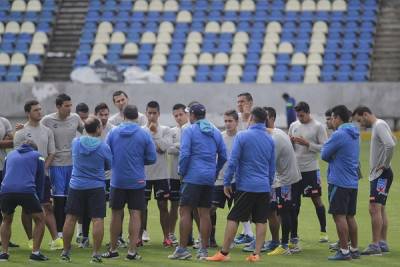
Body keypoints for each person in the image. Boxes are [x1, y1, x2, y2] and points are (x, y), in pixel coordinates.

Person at [206, 107, 275, 263]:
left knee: (233, 217)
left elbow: (233, 162)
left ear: (251, 118)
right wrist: (268, 184)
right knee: (261, 220)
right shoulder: (270, 139)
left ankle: (224, 253)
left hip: (246, 185)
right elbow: (272, 167)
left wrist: (226, 182)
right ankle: (256, 254)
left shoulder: (243, 136)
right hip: (263, 185)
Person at [169, 103, 227, 260]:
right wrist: (214, 171)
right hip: (208, 178)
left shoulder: (189, 130)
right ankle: (203, 250)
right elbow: (223, 156)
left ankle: (182, 249)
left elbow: (185, 154)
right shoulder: (215, 131)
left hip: (192, 177)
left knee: (185, 211)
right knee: (204, 213)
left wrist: (181, 171)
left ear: (193, 115)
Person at [102, 105, 156, 260]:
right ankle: (132, 251)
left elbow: (106, 153)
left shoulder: (113, 132)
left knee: (116, 214)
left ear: (123, 116)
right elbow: (152, 158)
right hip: (137, 180)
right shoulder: (144, 134)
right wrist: (139, 161)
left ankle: (113, 249)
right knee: (135, 214)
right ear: (137, 117)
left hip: (117, 180)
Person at [60, 116, 112, 263]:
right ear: (97, 129)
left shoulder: (76, 143)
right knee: (97, 219)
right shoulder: (103, 147)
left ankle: (65, 252)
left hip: (76, 186)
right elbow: (109, 165)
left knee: (70, 218)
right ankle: (95, 254)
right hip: (96, 187)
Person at [14, 100, 62, 250]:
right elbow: (17, 155)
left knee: (47, 206)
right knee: (27, 209)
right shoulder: (20, 132)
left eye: (40, 109)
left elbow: (52, 152)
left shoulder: (47, 131)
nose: (39, 112)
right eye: (36, 110)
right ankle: (30, 239)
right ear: (28, 113)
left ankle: (56, 239)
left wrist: (42, 168)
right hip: (26, 177)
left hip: (43, 176)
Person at [353, 106, 396, 255]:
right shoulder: (381, 125)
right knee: (380, 208)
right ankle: (382, 242)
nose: (361, 123)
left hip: (381, 175)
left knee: (374, 208)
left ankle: (375, 245)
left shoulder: (379, 125)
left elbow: (391, 144)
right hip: (381, 174)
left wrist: (385, 162)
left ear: (365, 114)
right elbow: (393, 139)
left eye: (360, 120)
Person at [41, 93, 84, 238]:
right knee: (59, 199)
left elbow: (87, 132)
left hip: (73, 164)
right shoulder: (47, 120)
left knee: (71, 199)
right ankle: (59, 234)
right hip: (56, 164)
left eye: (71, 105)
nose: (70, 109)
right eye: (66, 106)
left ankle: (71, 231)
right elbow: (36, 131)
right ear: (58, 106)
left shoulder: (75, 118)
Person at [321, 105, 360, 260]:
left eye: (332, 118)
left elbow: (324, 154)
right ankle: (354, 249)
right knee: (350, 216)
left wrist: (333, 156)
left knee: (339, 217)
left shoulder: (339, 134)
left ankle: (344, 251)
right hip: (352, 182)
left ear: (337, 118)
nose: (331, 121)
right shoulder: (355, 133)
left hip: (339, 181)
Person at [263, 107, 302, 256]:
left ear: (272, 118)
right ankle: (292, 242)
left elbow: (269, 163)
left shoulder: (275, 138)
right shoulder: (278, 132)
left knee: (285, 211)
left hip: (285, 180)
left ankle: (284, 246)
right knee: (289, 211)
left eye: (265, 119)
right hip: (289, 178)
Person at [288, 101, 328, 245]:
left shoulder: (318, 127)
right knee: (294, 204)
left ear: (308, 112)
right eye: (298, 115)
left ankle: (323, 231)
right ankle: (294, 235)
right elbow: (288, 146)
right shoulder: (293, 125)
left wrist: (307, 144)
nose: (300, 118)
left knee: (316, 200)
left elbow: (325, 148)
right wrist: (290, 142)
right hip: (295, 171)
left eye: (302, 115)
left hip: (311, 170)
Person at [0, 141, 47, 261]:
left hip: (6, 190)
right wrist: (40, 199)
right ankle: (35, 253)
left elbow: (5, 174)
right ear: (34, 149)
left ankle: (4, 253)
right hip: (26, 190)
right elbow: (41, 177)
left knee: (6, 220)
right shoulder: (38, 155)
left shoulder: (9, 155)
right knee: (40, 219)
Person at [142, 101, 173, 247]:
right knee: (142, 206)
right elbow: (142, 150)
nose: (152, 116)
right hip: (145, 175)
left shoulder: (166, 129)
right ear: (146, 113)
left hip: (161, 175)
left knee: (163, 205)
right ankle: (141, 235)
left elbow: (162, 148)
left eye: (155, 113)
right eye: (150, 113)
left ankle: (167, 237)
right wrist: (149, 132)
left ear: (159, 114)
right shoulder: (141, 130)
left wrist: (154, 133)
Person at [210, 110, 238, 248]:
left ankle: (232, 239)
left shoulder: (241, 137)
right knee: (211, 208)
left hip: (237, 181)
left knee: (238, 211)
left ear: (236, 122)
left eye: (230, 121)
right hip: (220, 180)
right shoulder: (220, 137)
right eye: (225, 121)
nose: (227, 124)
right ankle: (210, 239)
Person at [167, 103, 190, 245]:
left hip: (188, 175)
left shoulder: (191, 129)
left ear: (186, 114)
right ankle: (171, 234)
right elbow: (168, 148)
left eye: (181, 114)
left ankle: (193, 236)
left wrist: (178, 145)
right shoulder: (172, 131)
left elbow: (189, 149)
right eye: (176, 115)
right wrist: (180, 146)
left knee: (190, 207)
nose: (178, 117)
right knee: (174, 205)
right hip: (174, 174)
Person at [234, 92, 255, 245]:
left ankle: (250, 234)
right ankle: (246, 231)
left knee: (249, 200)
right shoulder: (236, 119)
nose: (240, 104)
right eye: (238, 102)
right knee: (240, 198)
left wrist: (248, 118)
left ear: (250, 103)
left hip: (252, 165)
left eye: (243, 101)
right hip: (239, 165)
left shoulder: (256, 119)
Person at [0, 116, 18, 248]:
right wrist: (4, 141)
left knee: (5, 207)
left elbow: (14, 142)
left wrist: (8, 140)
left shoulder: (4, 121)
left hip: (3, 168)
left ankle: (4, 239)